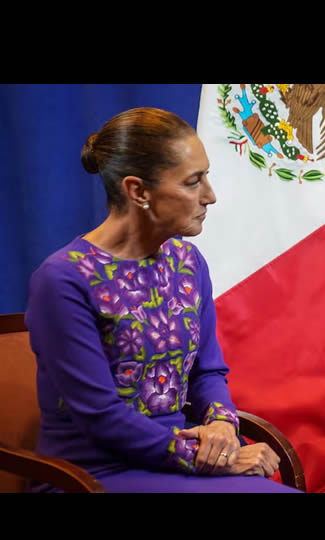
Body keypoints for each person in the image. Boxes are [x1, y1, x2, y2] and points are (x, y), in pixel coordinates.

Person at [25, 107, 300, 492]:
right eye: (193, 182)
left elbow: (208, 372)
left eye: (206, 177)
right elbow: (102, 416)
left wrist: (223, 426)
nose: (210, 196)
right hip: (91, 475)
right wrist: (211, 459)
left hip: (174, 461)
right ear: (138, 191)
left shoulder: (187, 262)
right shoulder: (63, 280)